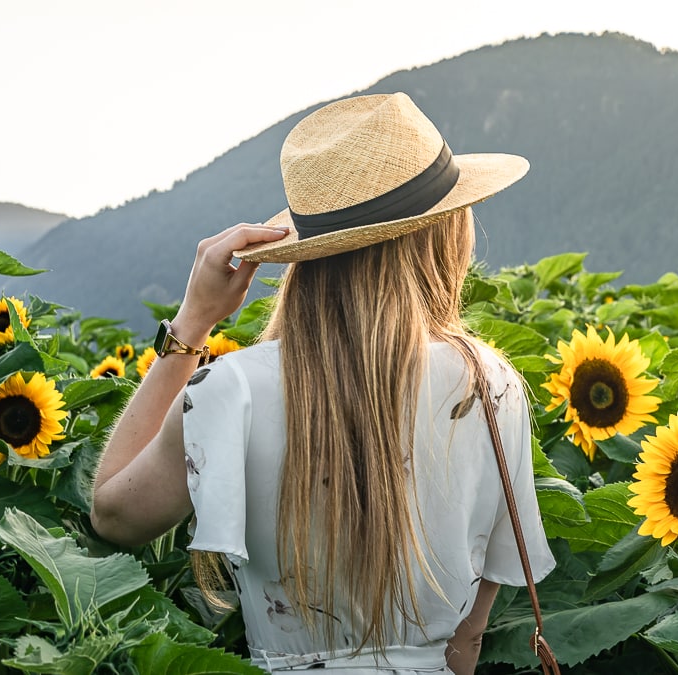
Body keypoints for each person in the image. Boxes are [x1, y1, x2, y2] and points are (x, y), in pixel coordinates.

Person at [91, 92, 555, 674]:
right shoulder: (490, 385)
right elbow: (467, 642)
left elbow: (115, 518)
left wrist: (192, 323)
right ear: (444, 236)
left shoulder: (233, 390)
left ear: (306, 256)